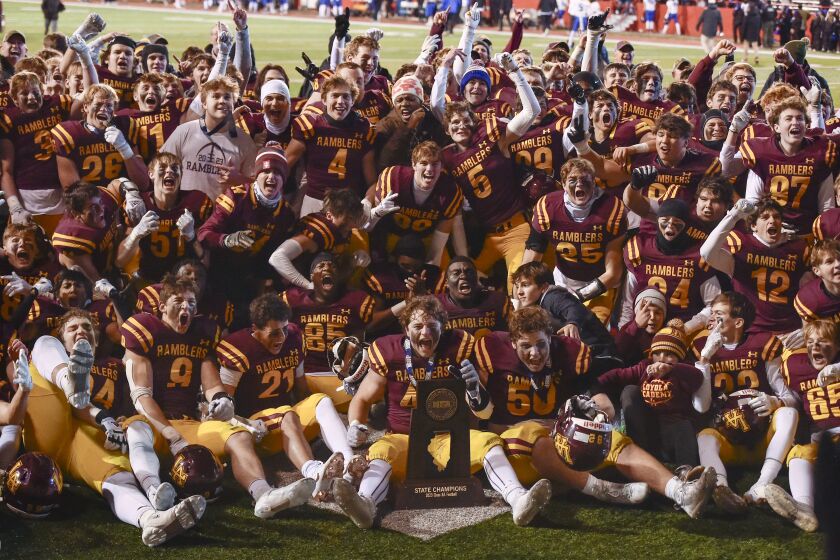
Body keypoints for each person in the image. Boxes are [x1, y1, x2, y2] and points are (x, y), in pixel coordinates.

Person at [333, 296, 553, 529]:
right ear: (406, 329)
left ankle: (518, 499)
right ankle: (365, 505)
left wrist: (474, 389)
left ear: (443, 327)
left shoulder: (459, 347)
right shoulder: (389, 351)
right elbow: (362, 398)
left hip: (453, 440)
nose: (425, 332)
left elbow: (485, 413)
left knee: (489, 442)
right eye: (418, 326)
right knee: (381, 450)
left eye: (432, 326)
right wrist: (355, 424)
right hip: (405, 439)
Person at [120, 275, 315, 519]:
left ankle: (263, 495)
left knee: (239, 436)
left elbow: (212, 384)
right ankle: (153, 490)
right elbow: (141, 396)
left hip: (188, 423)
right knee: (137, 431)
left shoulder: (202, 334)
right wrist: (171, 434)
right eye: (178, 301)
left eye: (191, 302)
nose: (186, 307)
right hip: (151, 423)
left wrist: (222, 401)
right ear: (162, 306)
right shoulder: (146, 330)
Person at [16, 311, 206, 547]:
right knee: (44, 342)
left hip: (90, 437)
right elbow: (77, 409)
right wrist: (102, 417)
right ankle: (69, 380)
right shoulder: (52, 352)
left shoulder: (116, 366)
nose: (80, 331)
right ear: (64, 339)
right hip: (56, 427)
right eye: (72, 328)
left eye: (87, 327)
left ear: (96, 340)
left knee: (120, 474)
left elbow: (129, 407)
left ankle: (150, 517)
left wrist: (118, 422)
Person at [217, 294, 362, 503]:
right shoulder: (240, 348)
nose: (282, 337)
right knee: (287, 414)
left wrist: (315, 427)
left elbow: (301, 389)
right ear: (255, 329)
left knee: (321, 400)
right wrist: (245, 424)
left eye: (284, 329)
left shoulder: (294, 337)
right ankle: (314, 472)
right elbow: (223, 408)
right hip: (256, 429)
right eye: (274, 333)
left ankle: (349, 464)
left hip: (286, 421)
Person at [693, 292, 798, 513]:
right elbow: (701, 407)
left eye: (719, 314)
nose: (712, 320)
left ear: (738, 322)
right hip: (728, 439)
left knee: (789, 414)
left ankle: (762, 484)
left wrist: (775, 402)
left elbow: (791, 399)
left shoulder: (762, 344)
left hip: (763, 439)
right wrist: (704, 360)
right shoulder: (702, 346)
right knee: (704, 437)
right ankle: (722, 489)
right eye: (712, 314)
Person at [161, 76, 257, 200]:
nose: (222, 101)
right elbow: (160, 169)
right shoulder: (183, 132)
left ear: (233, 103)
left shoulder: (245, 142)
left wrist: (239, 179)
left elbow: (257, 186)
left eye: (227, 97)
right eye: (216, 96)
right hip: (184, 209)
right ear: (204, 103)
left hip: (222, 211)